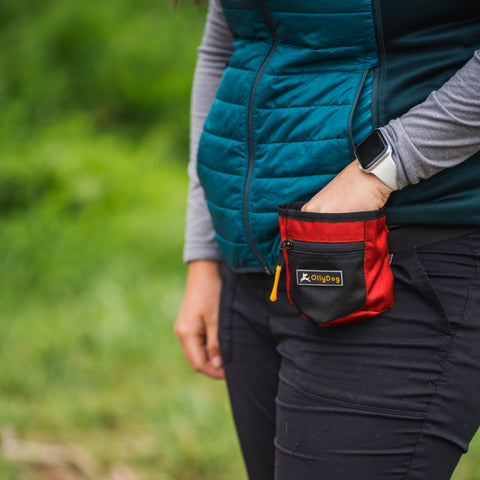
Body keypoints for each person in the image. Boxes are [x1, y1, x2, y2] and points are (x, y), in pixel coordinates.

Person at [175, 0, 480, 478]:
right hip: (254, 266)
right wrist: (204, 255)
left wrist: (381, 169)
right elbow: (229, 43)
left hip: (399, 258)